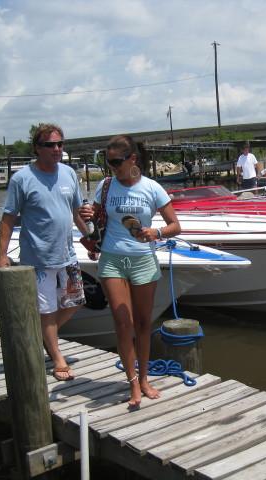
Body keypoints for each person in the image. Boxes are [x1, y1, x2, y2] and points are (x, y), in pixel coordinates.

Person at [80, 134, 181, 409]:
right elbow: (95, 220)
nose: (112, 167)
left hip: (143, 260)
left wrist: (156, 232)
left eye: (116, 162)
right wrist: (88, 219)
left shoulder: (152, 188)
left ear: (132, 159)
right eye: (108, 162)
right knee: (122, 322)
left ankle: (145, 378)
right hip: (112, 259)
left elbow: (175, 226)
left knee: (144, 324)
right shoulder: (106, 186)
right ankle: (133, 382)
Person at [0, 123, 90, 381]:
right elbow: (8, 218)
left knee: (76, 302)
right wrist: (2, 255)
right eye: (50, 145)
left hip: (67, 254)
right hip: (38, 258)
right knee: (46, 311)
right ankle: (57, 358)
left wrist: (90, 239)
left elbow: (76, 212)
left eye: (60, 144)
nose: (57, 149)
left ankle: (41, 335)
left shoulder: (69, 174)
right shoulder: (22, 179)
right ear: (37, 148)